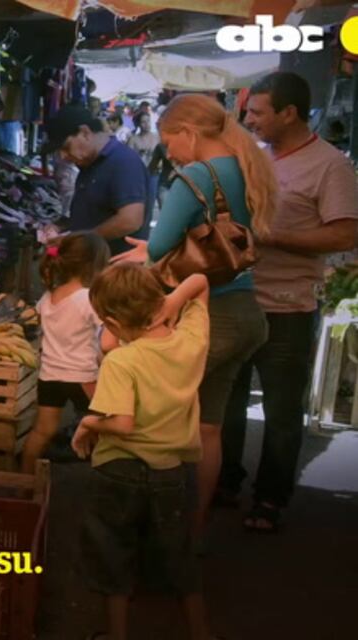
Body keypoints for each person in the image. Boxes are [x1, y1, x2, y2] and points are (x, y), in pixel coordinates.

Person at [111, 94, 275, 534]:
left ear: (188, 132)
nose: (171, 154)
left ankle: (159, 531)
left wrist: (150, 251)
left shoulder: (197, 176)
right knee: (207, 428)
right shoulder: (248, 167)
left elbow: (164, 243)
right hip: (245, 311)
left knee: (157, 424)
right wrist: (154, 249)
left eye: (170, 143)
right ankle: (193, 530)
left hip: (208, 316)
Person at [74, 265, 241, 640]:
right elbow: (200, 281)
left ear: (114, 323)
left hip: (119, 472)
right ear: (158, 301)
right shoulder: (191, 342)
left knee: (114, 554)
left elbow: (122, 424)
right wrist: (174, 299)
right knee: (181, 556)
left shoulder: (121, 362)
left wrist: (87, 424)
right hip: (173, 473)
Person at [221, 72, 358, 532]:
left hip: (289, 307)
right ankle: (226, 480)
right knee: (227, 401)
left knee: (280, 411)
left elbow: (345, 234)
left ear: (289, 113)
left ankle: (270, 498)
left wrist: (273, 238)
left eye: (258, 112)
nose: (249, 120)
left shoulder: (330, 166)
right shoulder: (256, 159)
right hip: (239, 298)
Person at [20, 232, 110, 473]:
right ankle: (101, 478)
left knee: (42, 431)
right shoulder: (88, 299)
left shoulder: (48, 297)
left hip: (49, 376)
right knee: (105, 428)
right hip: (83, 376)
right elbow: (108, 335)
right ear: (93, 265)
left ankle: (24, 481)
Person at [41, 104, 149, 256]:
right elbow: (93, 214)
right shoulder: (90, 164)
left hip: (114, 264)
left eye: (66, 147)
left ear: (85, 133)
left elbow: (130, 220)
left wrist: (80, 239)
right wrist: (61, 226)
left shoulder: (123, 162)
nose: (63, 156)